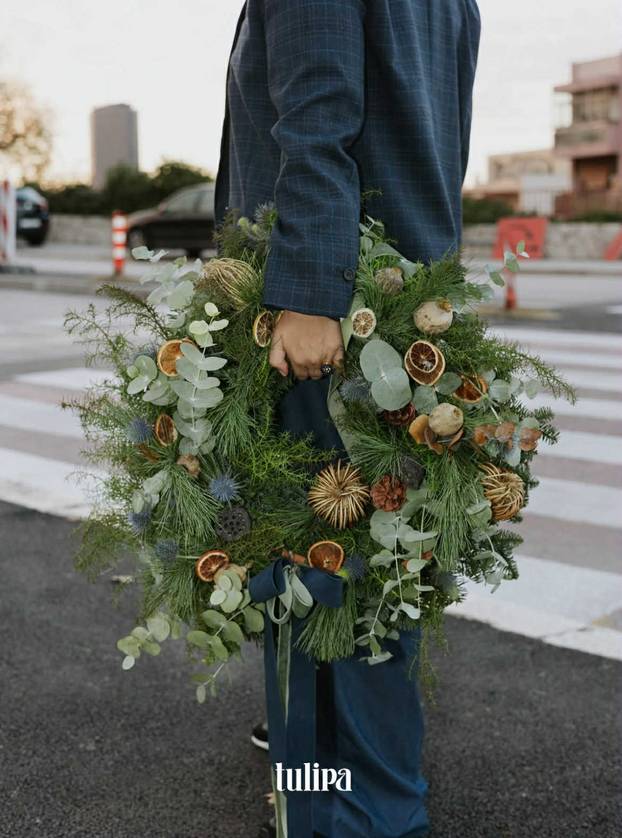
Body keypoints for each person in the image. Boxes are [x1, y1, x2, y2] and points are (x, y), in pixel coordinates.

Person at [213, 2, 481, 836]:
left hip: (329, 309)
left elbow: (317, 111)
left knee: (320, 565)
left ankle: (354, 814)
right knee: (381, 566)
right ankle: (365, 799)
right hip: (410, 294)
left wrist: (307, 290)